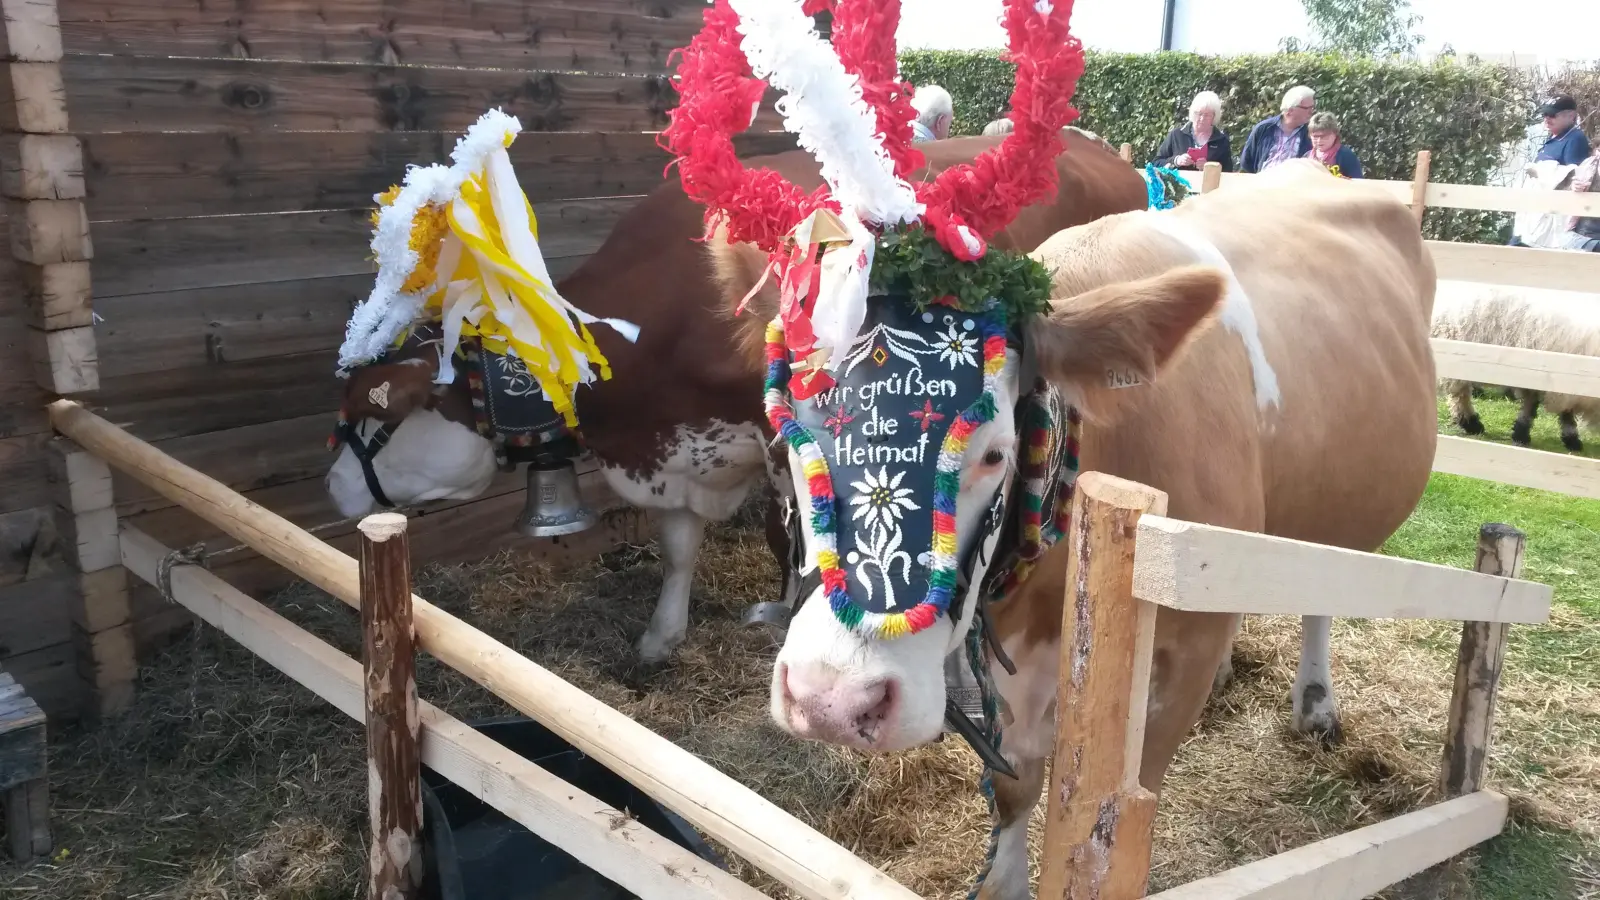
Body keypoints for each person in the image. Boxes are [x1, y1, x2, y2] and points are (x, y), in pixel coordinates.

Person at [1238, 85, 1315, 173]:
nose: (1311, 111)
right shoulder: (1264, 128)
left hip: (1293, 184)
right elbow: (1246, 163)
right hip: (1263, 182)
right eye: (1307, 108)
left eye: (1312, 107)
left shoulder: (1311, 132)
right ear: (1290, 110)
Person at [1153, 90, 1232, 171]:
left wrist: (1209, 167)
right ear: (1192, 113)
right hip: (1178, 183)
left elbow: (1228, 172)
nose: (1202, 118)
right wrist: (1176, 161)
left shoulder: (1221, 140)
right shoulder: (1176, 135)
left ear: (1214, 117)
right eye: (1199, 114)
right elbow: (1156, 163)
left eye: (1207, 115)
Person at [1302, 112, 1364, 179]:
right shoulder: (1306, 157)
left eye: (1324, 136)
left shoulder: (1346, 156)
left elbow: (1358, 182)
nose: (1319, 141)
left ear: (1335, 134)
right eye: (1315, 136)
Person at [1535, 95, 1591, 167]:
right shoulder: (1554, 136)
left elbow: (1574, 175)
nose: (1547, 118)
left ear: (1571, 116)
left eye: (1552, 115)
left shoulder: (1575, 139)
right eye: (1545, 114)